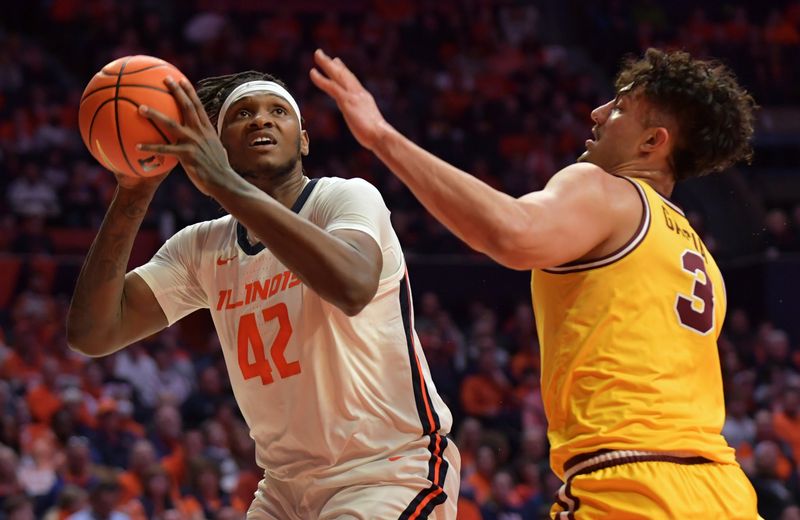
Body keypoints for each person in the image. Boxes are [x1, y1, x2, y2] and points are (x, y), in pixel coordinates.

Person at [311, 47, 760, 518]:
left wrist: (381, 137)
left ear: (652, 143)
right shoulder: (701, 257)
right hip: (725, 491)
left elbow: (510, 234)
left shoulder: (606, 190)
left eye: (621, 107)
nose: (599, 113)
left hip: (632, 487)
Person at [66, 71, 460, 519]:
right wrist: (133, 192)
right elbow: (92, 333)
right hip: (283, 490)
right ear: (218, 146)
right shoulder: (201, 248)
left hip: (386, 471)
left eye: (277, 112)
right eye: (242, 114)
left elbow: (351, 287)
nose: (260, 121)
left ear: (304, 141)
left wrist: (223, 185)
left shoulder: (344, 199)